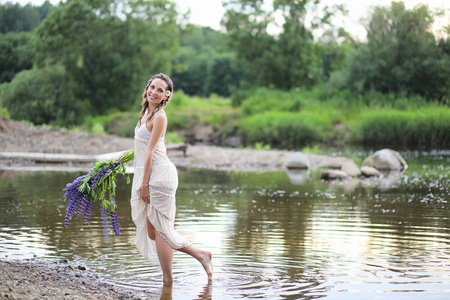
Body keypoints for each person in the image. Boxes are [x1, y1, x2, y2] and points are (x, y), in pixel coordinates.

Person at [128, 73, 213, 284]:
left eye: (160, 90)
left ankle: (168, 281)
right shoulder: (145, 113)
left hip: (160, 177)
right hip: (151, 174)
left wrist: (145, 184)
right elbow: (139, 149)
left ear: (166, 95)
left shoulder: (159, 117)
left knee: (161, 231)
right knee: (153, 232)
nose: (154, 92)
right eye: (152, 87)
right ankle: (201, 255)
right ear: (147, 88)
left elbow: (149, 153)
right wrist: (116, 161)